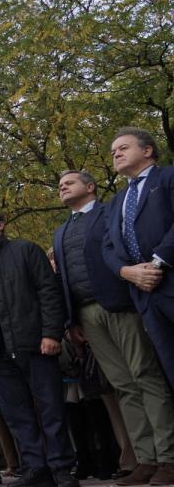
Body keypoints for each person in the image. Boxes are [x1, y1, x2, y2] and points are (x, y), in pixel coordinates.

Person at [54, 168, 174, 486]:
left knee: (145, 376)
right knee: (123, 385)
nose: (62, 187)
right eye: (60, 185)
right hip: (87, 316)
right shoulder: (61, 231)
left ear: (90, 187)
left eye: (69, 182)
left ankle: (169, 458)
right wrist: (72, 321)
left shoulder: (113, 212)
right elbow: (65, 279)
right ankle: (145, 459)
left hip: (120, 305)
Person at [0, 209, 76, 487]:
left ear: (0, 224)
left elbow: (48, 291)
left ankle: (61, 468)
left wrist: (51, 333)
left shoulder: (25, 250)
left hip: (33, 343)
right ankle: (36, 467)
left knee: (51, 408)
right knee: (16, 412)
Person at [103, 126, 174, 394]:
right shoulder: (116, 201)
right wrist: (126, 272)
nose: (116, 154)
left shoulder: (168, 177)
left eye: (123, 148)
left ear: (147, 150)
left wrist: (157, 262)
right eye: (113, 152)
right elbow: (108, 247)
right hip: (145, 296)